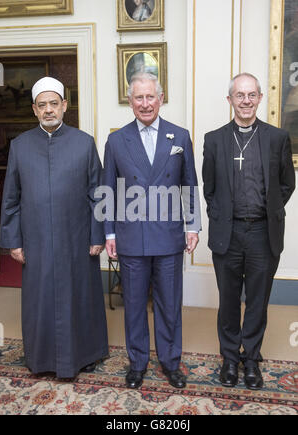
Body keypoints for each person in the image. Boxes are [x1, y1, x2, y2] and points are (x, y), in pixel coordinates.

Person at [0, 77, 108, 378]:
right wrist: (14, 242)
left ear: (64, 106)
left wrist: (98, 234)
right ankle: (41, 358)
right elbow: (11, 199)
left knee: (80, 298)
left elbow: (98, 194)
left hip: (77, 238)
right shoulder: (20, 146)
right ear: (35, 109)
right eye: (42, 105)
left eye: (54, 104)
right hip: (37, 241)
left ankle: (85, 355)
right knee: (41, 301)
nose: (49, 110)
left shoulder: (84, 142)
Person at [103, 72, 201, 389]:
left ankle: (171, 362)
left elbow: (189, 185)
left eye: (150, 97)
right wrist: (109, 234)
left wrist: (193, 226)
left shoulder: (180, 136)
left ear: (160, 98)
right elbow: (107, 191)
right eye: (138, 98)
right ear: (130, 101)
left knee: (169, 305)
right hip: (131, 238)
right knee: (133, 305)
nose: (145, 103)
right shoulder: (116, 141)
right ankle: (138, 363)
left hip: (169, 236)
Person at [202, 73, 295, 390]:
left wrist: (267, 210)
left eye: (251, 95)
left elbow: (286, 184)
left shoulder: (277, 138)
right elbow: (210, 189)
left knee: (257, 301)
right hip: (227, 234)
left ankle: (251, 358)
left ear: (259, 99)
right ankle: (230, 358)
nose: (245, 100)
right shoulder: (214, 140)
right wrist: (224, 216)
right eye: (239, 95)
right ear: (230, 100)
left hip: (262, 234)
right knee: (228, 301)